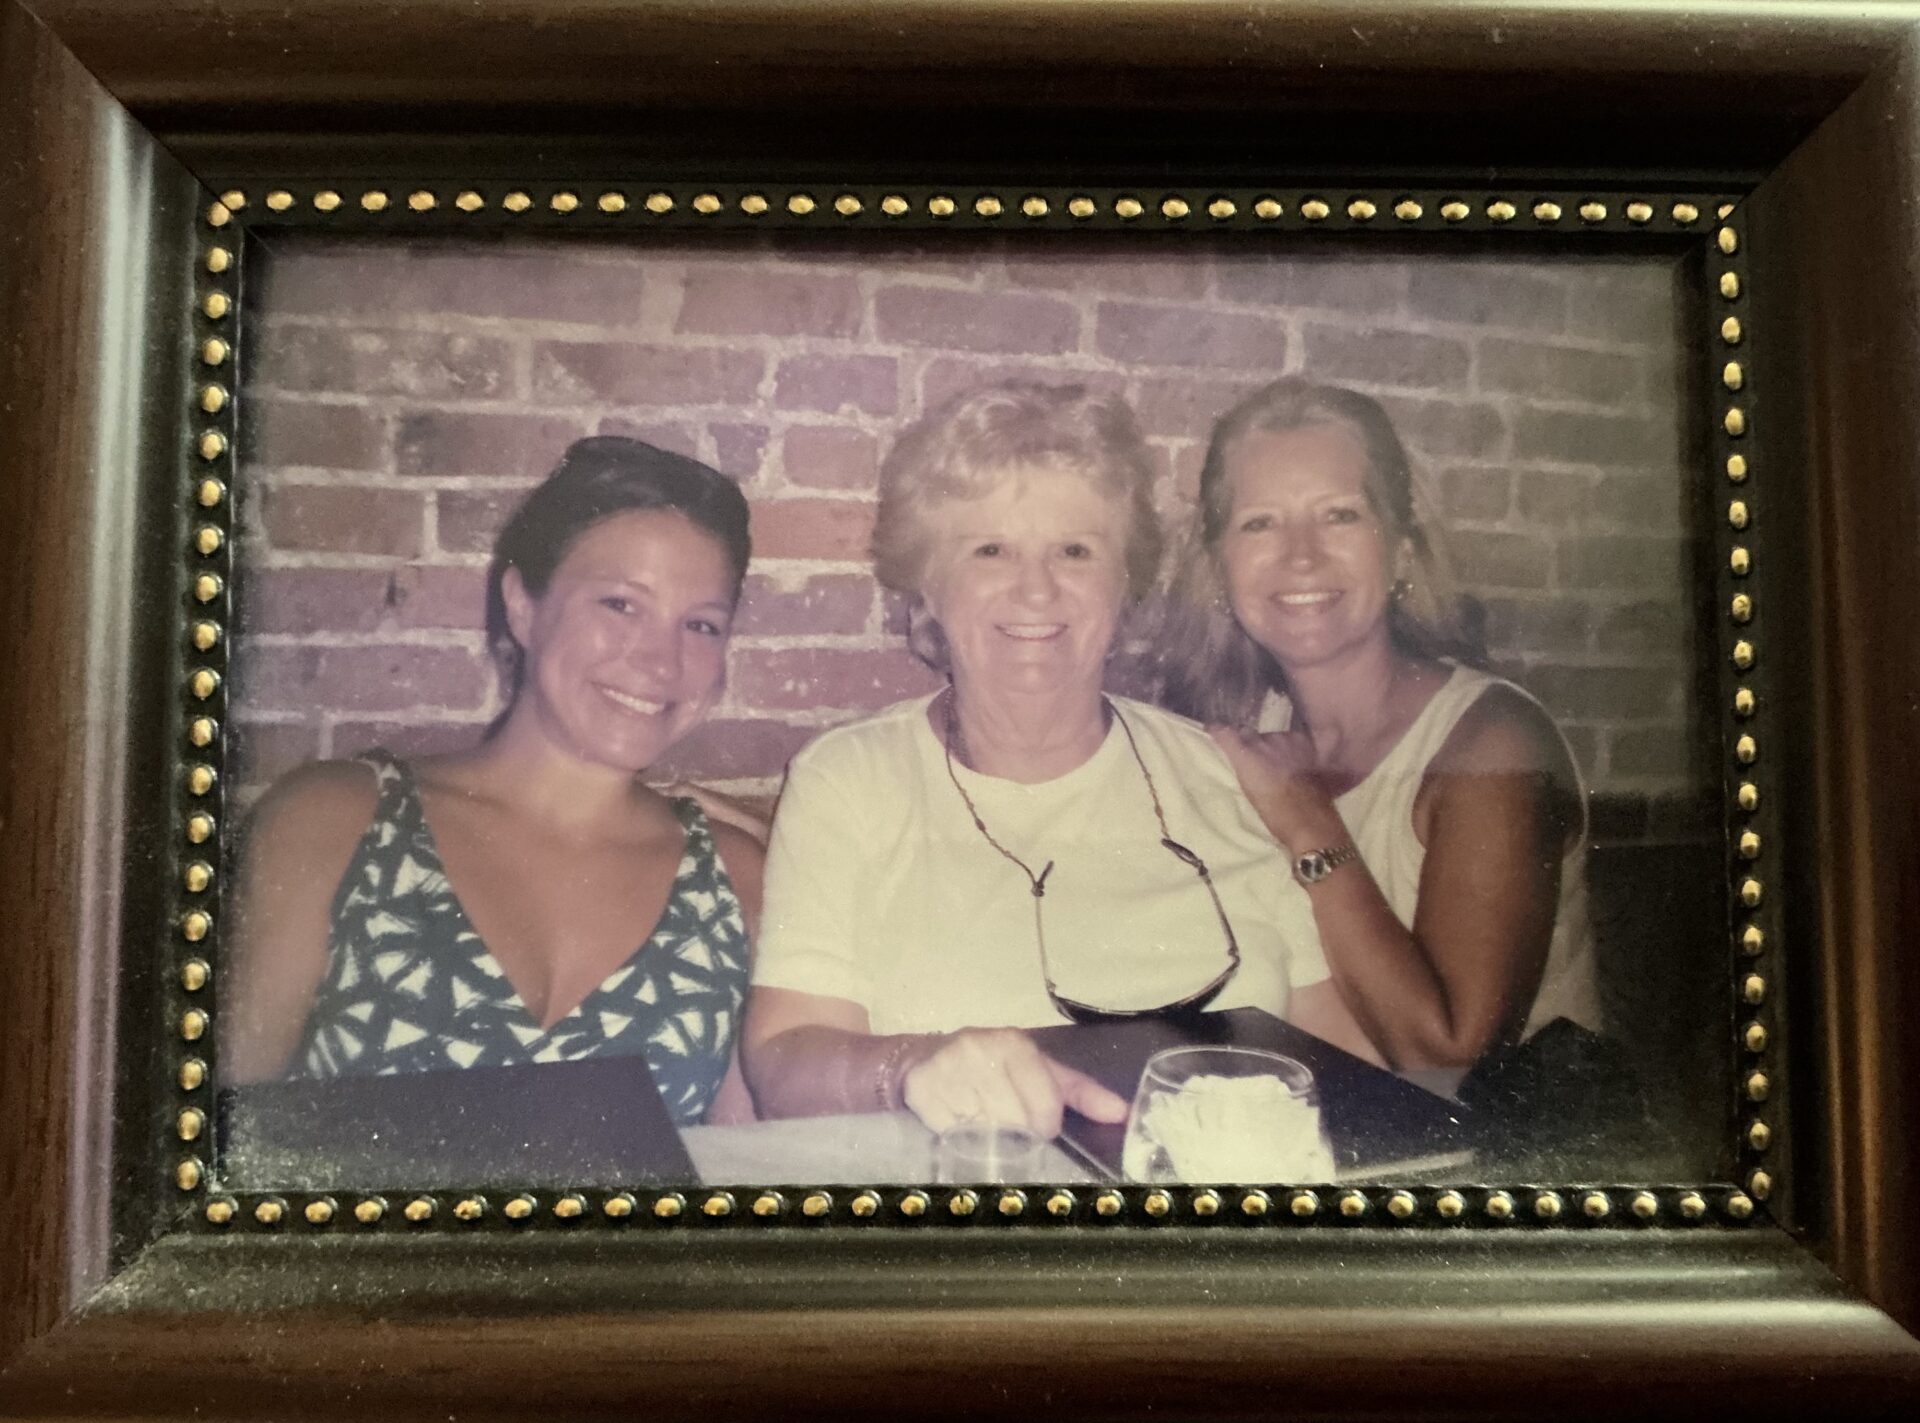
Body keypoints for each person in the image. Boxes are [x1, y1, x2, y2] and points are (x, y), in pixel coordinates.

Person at [742, 381, 1348, 1137]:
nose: (1037, 588)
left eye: (1075, 550)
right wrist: (915, 1066)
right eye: (990, 548)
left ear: (1124, 583)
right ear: (928, 585)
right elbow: (781, 1061)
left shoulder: (1224, 772)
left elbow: (1337, 1056)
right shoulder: (849, 780)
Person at [226, 436, 765, 1127]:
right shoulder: (334, 822)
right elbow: (205, 1144)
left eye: (701, 624)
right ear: (523, 605)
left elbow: (744, 1184)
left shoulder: (734, 881)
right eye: (620, 605)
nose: (662, 661)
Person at [1157, 378, 1601, 1073]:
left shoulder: (1495, 743)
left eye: (1339, 515)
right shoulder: (1244, 730)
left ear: (1398, 549)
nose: (1301, 555)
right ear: (1219, 565)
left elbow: (1448, 1060)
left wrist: (1308, 820)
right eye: (1260, 522)